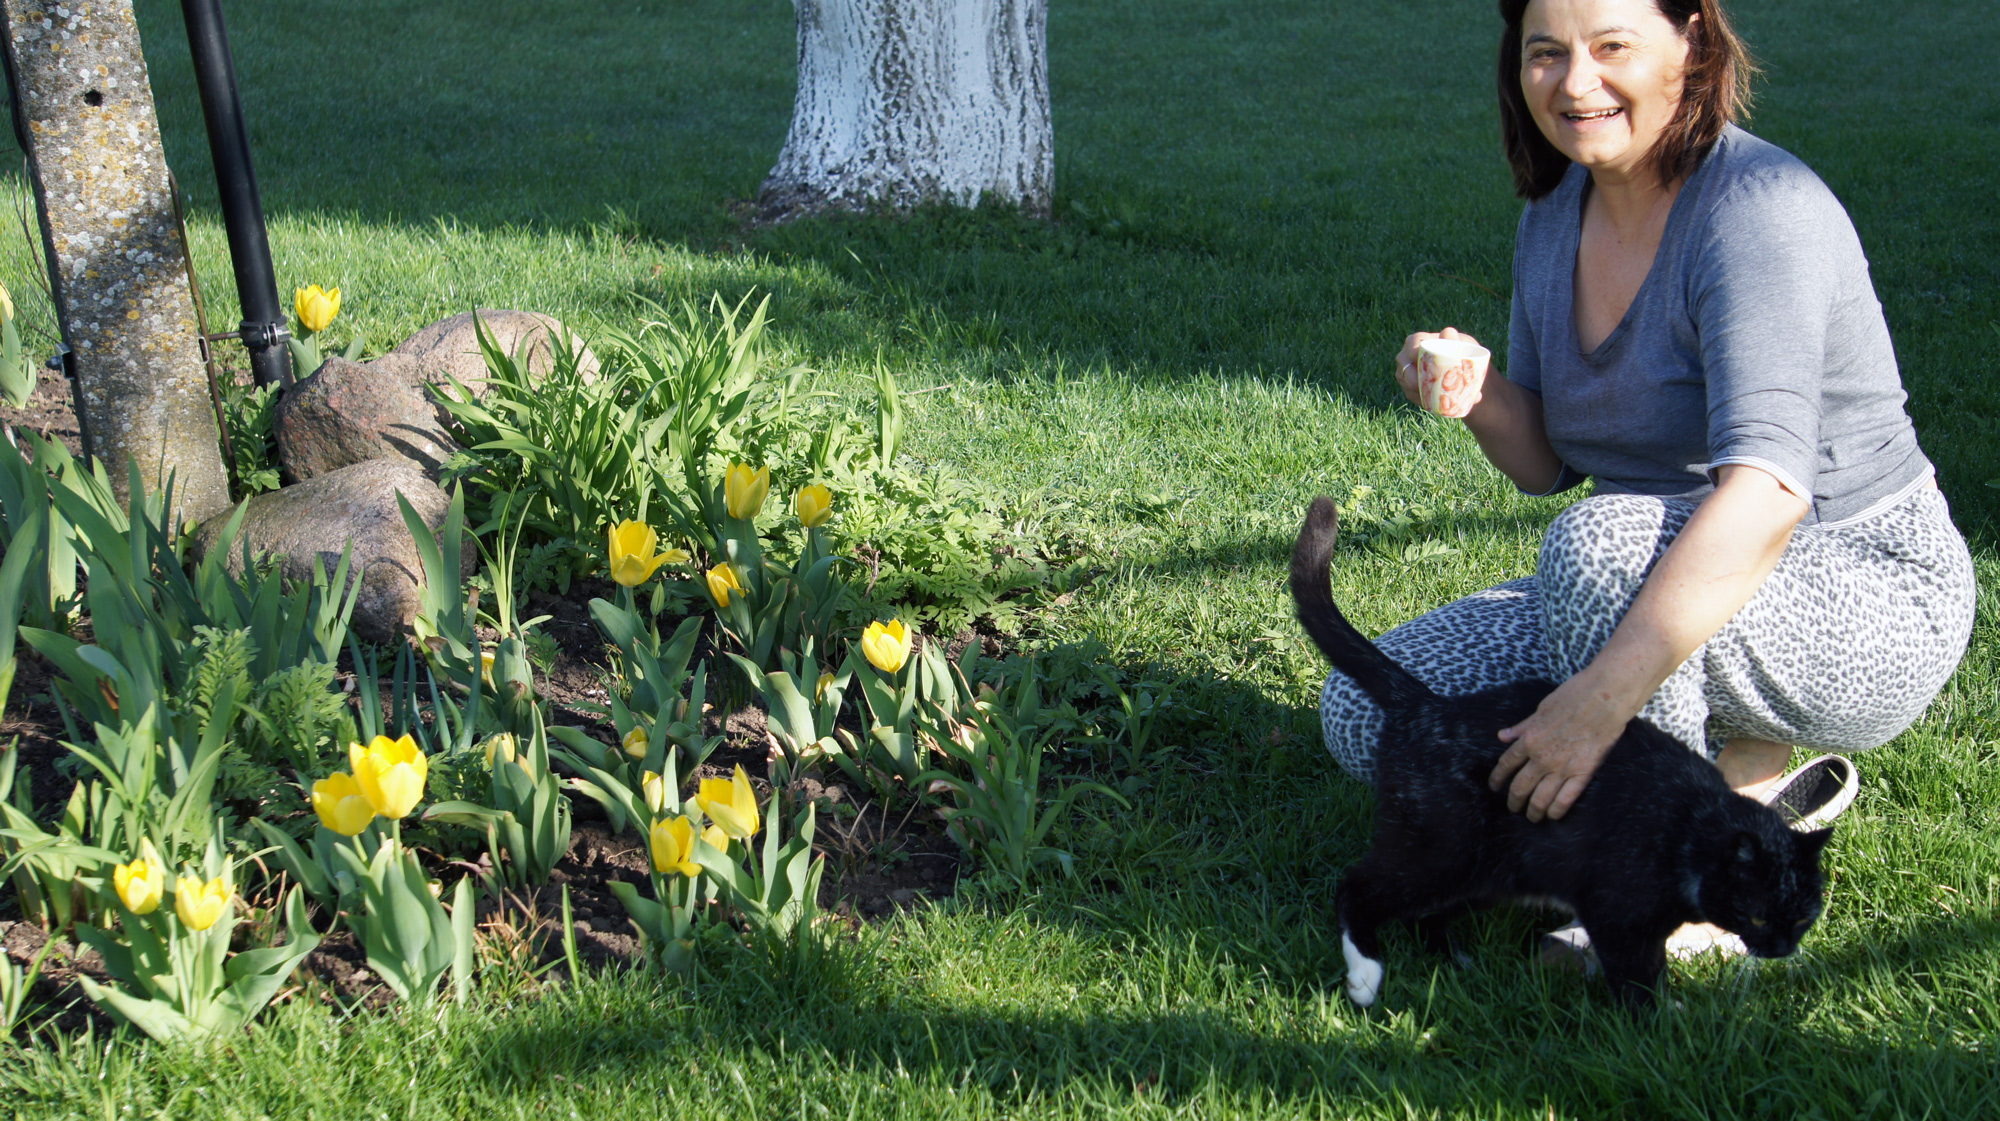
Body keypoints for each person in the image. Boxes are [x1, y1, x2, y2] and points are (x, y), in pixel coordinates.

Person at [1318, 0, 1976, 955]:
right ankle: (1695, 781)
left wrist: (1599, 703)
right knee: (1370, 711)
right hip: (1646, 566)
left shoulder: (1758, 211)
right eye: (1547, 52)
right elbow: (1549, 461)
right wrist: (1480, 393)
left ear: (1692, 43)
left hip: (1861, 587)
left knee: (1595, 547)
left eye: (1612, 45)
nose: (1575, 81)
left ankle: (1695, 854)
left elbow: (1769, 492)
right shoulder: (1556, 213)